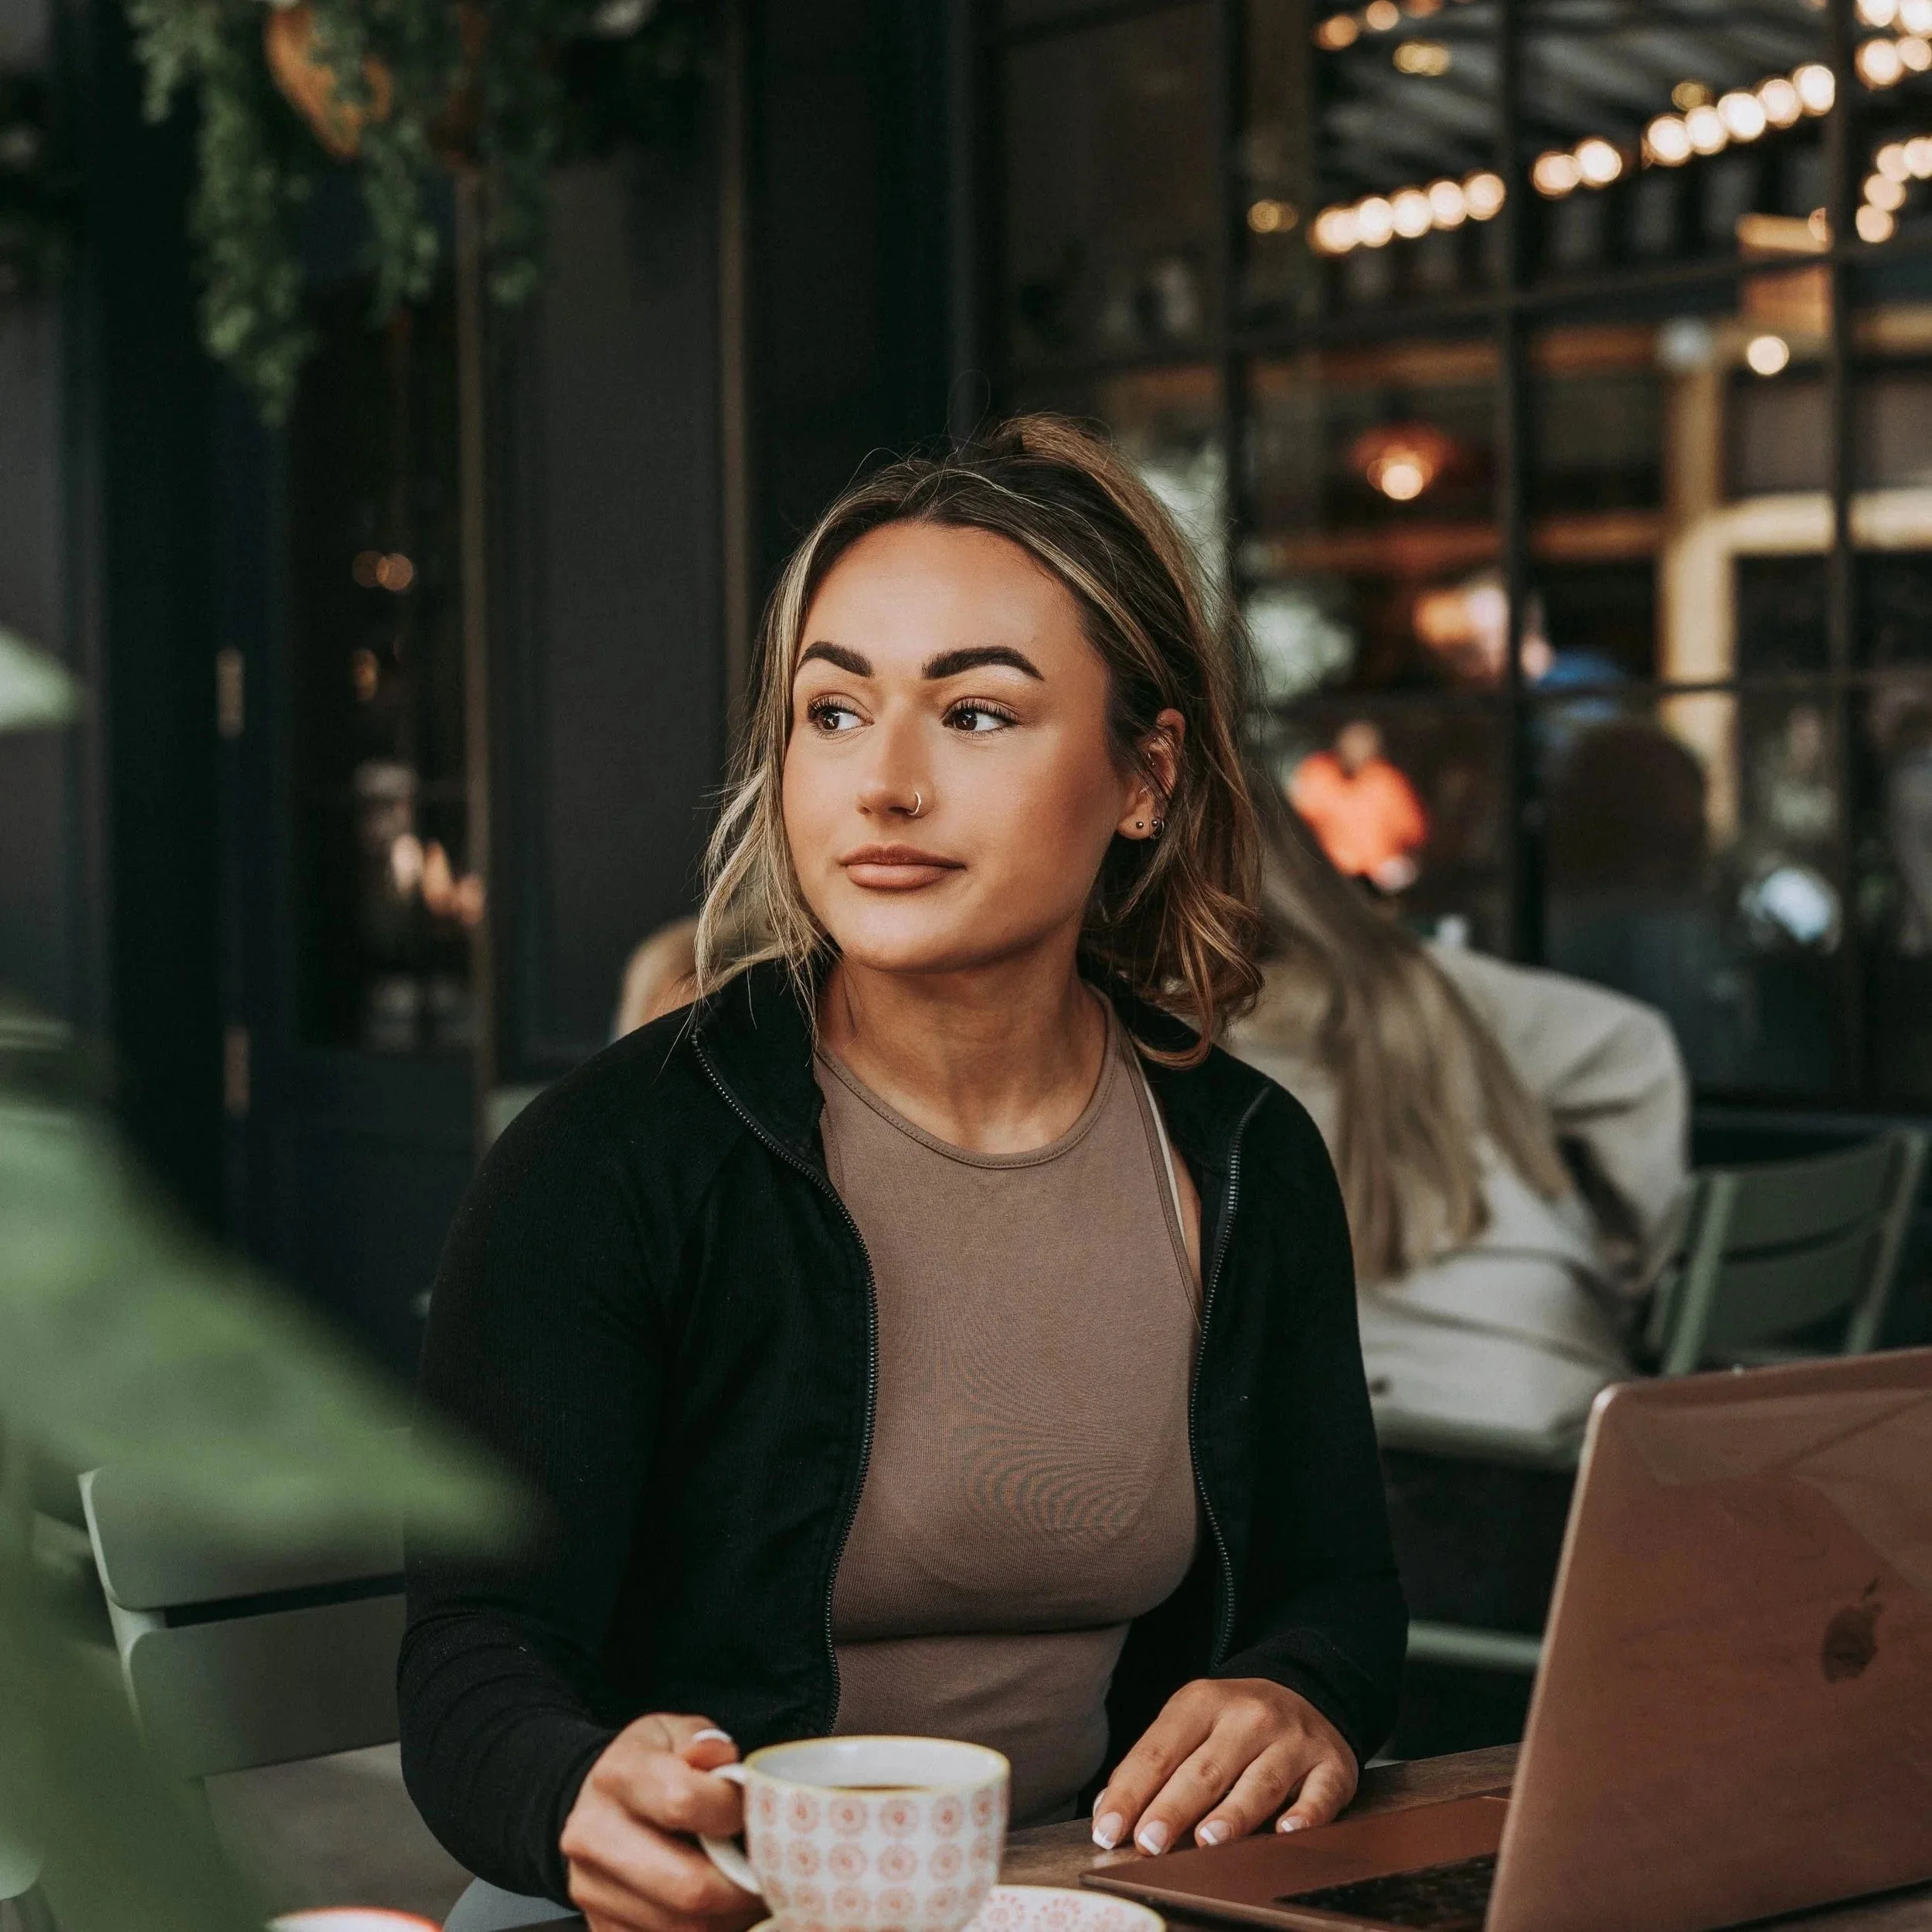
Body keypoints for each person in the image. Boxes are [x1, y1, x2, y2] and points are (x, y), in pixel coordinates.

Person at [401, 417, 1405, 1927]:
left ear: (1145, 773)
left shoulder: (1242, 1152)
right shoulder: (609, 1157)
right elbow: (474, 1653)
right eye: (831, 708)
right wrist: (570, 1790)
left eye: (977, 714)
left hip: (1079, 1901)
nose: (882, 784)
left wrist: (1292, 1690)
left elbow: (1335, 1595)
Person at [1226, 775, 1689, 1445]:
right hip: (1576, 1383)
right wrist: (1625, 1261)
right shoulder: (1434, 977)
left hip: (1431, 1438)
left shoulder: (1189, 1025)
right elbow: (1635, 1049)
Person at [1287, 719, 1427, 891]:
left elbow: (1413, 832)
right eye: (1351, 743)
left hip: (1380, 879)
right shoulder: (1317, 773)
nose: (1356, 751)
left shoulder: (1387, 781)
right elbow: (1296, 823)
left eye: (1363, 745)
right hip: (1328, 875)